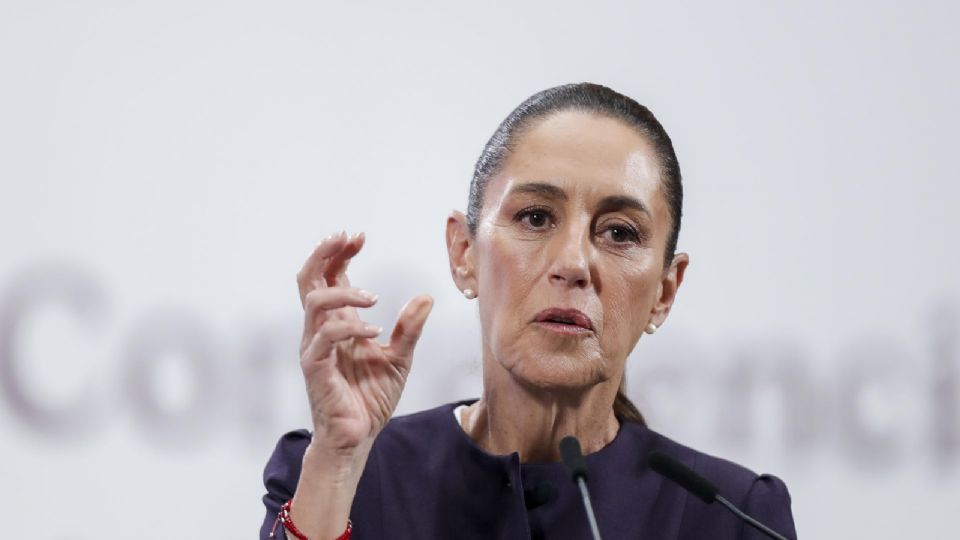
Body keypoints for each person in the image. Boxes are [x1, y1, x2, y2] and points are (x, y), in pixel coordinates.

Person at [260, 83, 798, 540]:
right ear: (463, 253)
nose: (573, 263)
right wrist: (337, 464)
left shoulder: (729, 518)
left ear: (664, 291)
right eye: (537, 217)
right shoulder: (346, 472)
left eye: (619, 233)